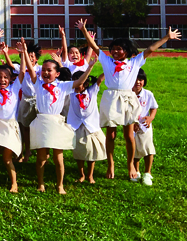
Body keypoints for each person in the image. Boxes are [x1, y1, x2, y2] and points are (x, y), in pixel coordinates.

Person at [77, 19, 181, 179]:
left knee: (129, 135)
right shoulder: (107, 61)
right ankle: (110, 164)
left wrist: (167, 37)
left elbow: (149, 49)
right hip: (111, 98)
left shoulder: (134, 62)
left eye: (119, 49)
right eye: (113, 49)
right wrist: (84, 30)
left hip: (127, 98)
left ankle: (130, 164)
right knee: (111, 135)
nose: (116, 52)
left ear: (127, 51)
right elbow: (95, 47)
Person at [22, 38, 96, 194]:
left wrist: (89, 67)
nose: (46, 73)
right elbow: (29, 69)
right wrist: (23, 51)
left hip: (56, 122)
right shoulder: (38, 84)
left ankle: (60, 185)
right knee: (41, 157)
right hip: (42, 121)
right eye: (44, 70)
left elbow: (79, 82)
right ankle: (41, 183)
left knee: (58, 157)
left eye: (50, 70)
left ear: (57, 74)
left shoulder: (63, 86)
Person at [0, 45, 26, 193]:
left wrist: (23, 53)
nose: (2, 80)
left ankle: (14, 183)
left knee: (7, 158)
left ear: (10, 79)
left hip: (9, 126)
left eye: (6, 77)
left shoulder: (14, 89)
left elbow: (22, 72)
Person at [67, 67, 106, 184]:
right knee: (79, 152)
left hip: (91, 127)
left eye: (80, 81)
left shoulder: (92, 91)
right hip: (76, 126)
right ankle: (81, 174)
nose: (77, 84)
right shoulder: (70, 93)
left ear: (86, 83)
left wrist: (110, 67)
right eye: (74, 81)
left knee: (91, 153)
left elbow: (99, 79)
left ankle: (90, 175)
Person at [132, 69, 158, 186]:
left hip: (145, 126)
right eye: (135, 79)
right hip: (131, 127)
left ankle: (147, 172)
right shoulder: (128, 94)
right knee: (134, 150)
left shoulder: (148, 94)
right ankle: (136, 171)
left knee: (148, 149)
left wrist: (150, 118)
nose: (138, 82)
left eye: (141, 80)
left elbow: (154, 107)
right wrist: (132, 123)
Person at [17, 41, 42, 163]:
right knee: (25, 127)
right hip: (25, 100)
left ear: (36, 59)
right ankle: (26, 151)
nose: (30, 58)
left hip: (39, 101)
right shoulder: (21, 70)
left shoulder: (41, 69)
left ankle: (43, 152)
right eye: (28, 56)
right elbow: (18, 69)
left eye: (32, 56)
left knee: (40, 127)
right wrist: (22, 52)